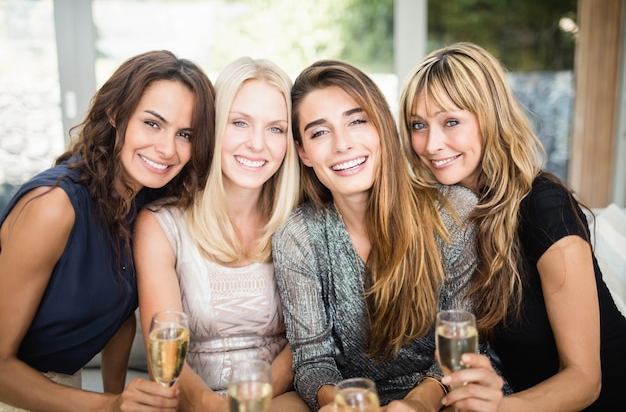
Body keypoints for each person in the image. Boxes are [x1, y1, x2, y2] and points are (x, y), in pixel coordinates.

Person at [399, 41, 626, 412]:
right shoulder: (444, 213)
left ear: (489, 118)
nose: (431, 144)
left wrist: (499, 408)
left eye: (451, 121)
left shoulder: (544, 206)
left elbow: (586, 380)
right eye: (418, 125)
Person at [271, 59, 504, 412]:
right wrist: (345, 403)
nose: (343, 144)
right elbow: (312, 361)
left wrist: (416, 405)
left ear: (382, 126)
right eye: (320, 132)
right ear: (303, 151)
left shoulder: (454, 211)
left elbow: (461, 344)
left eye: (357, 121)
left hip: (448, 396)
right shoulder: (298, 235)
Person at [0, 50, 216, 412]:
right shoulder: (52, 207)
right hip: (17, 388)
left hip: (66, 384)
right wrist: (111, 405)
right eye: (152, 123)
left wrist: (117, 396)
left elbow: (117, 316)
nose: (166, 148)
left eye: (185, 134)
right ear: (116, 113)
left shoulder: (146, 198)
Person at [134, 56, 309, 412]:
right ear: (213, 127)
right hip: (194, 403)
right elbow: (164, 354)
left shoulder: (300, 223)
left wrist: (244, 402)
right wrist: (209, 405)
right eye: (240, 123)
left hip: (279, 399)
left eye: (275, 129)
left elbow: (307, 345)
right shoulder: (160, 224)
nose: (257, 144)